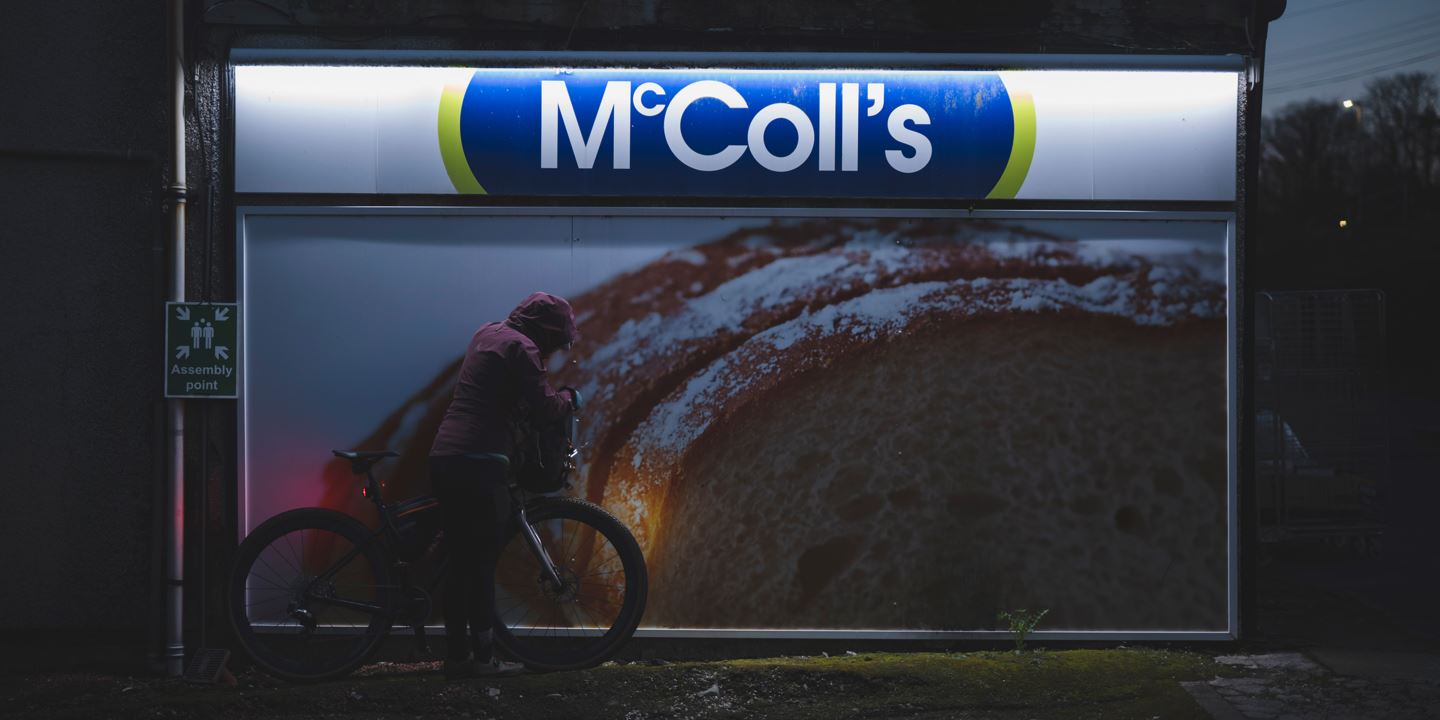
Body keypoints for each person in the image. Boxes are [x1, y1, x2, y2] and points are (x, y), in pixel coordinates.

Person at [429, 291, 578, 679]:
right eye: (558, 340)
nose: (556, 349)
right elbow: (545, 407)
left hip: (446, 454)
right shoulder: (523, 349)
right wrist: (570, 398)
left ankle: (458, 657)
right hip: (481, 459)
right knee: (478, 566)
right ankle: (482, 661)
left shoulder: (487, 332)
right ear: (546, 332)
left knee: (460, 564)